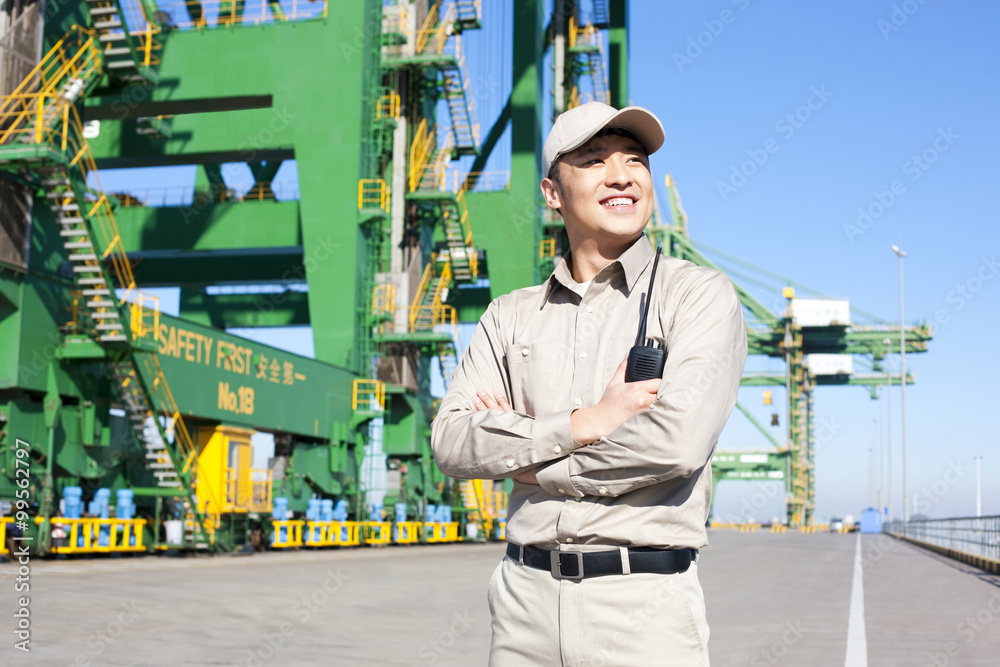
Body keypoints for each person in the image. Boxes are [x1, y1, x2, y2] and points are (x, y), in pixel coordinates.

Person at [430, 101, 747, 666]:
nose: (622, 175)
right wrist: (588, 423)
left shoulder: (696, 296)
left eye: (635, 160)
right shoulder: (509, 315)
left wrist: (524, 457)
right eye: (596, 160)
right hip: (523, 602)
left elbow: (674, 444)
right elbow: (452, 441)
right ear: (553, 193)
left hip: (643, 606)